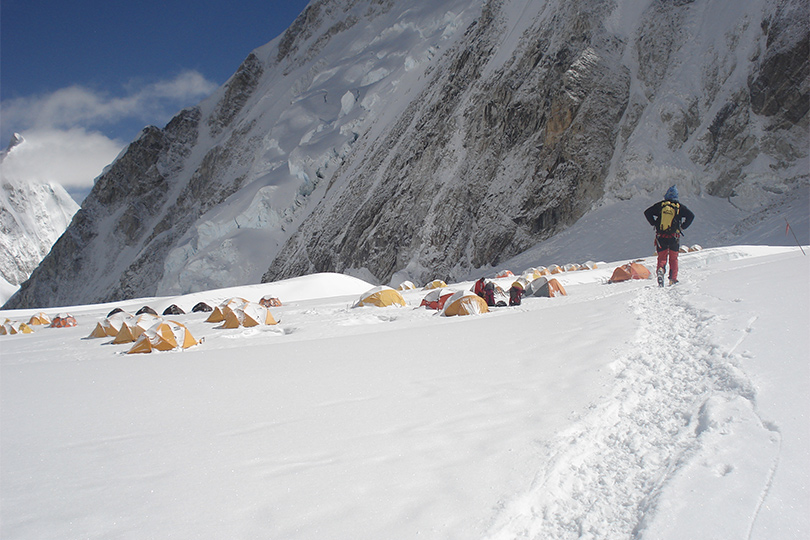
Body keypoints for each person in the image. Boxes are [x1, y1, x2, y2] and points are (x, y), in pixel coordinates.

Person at [644, 185, 695, 286]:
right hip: (674, 237)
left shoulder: (661, 206)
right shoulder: (679, 207)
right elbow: (691, 216)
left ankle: (660, 270)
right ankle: (673, 279)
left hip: (661, 236)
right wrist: (682, 227)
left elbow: (647, 212)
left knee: (662, 257)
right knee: (673, 258)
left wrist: (654, 223)